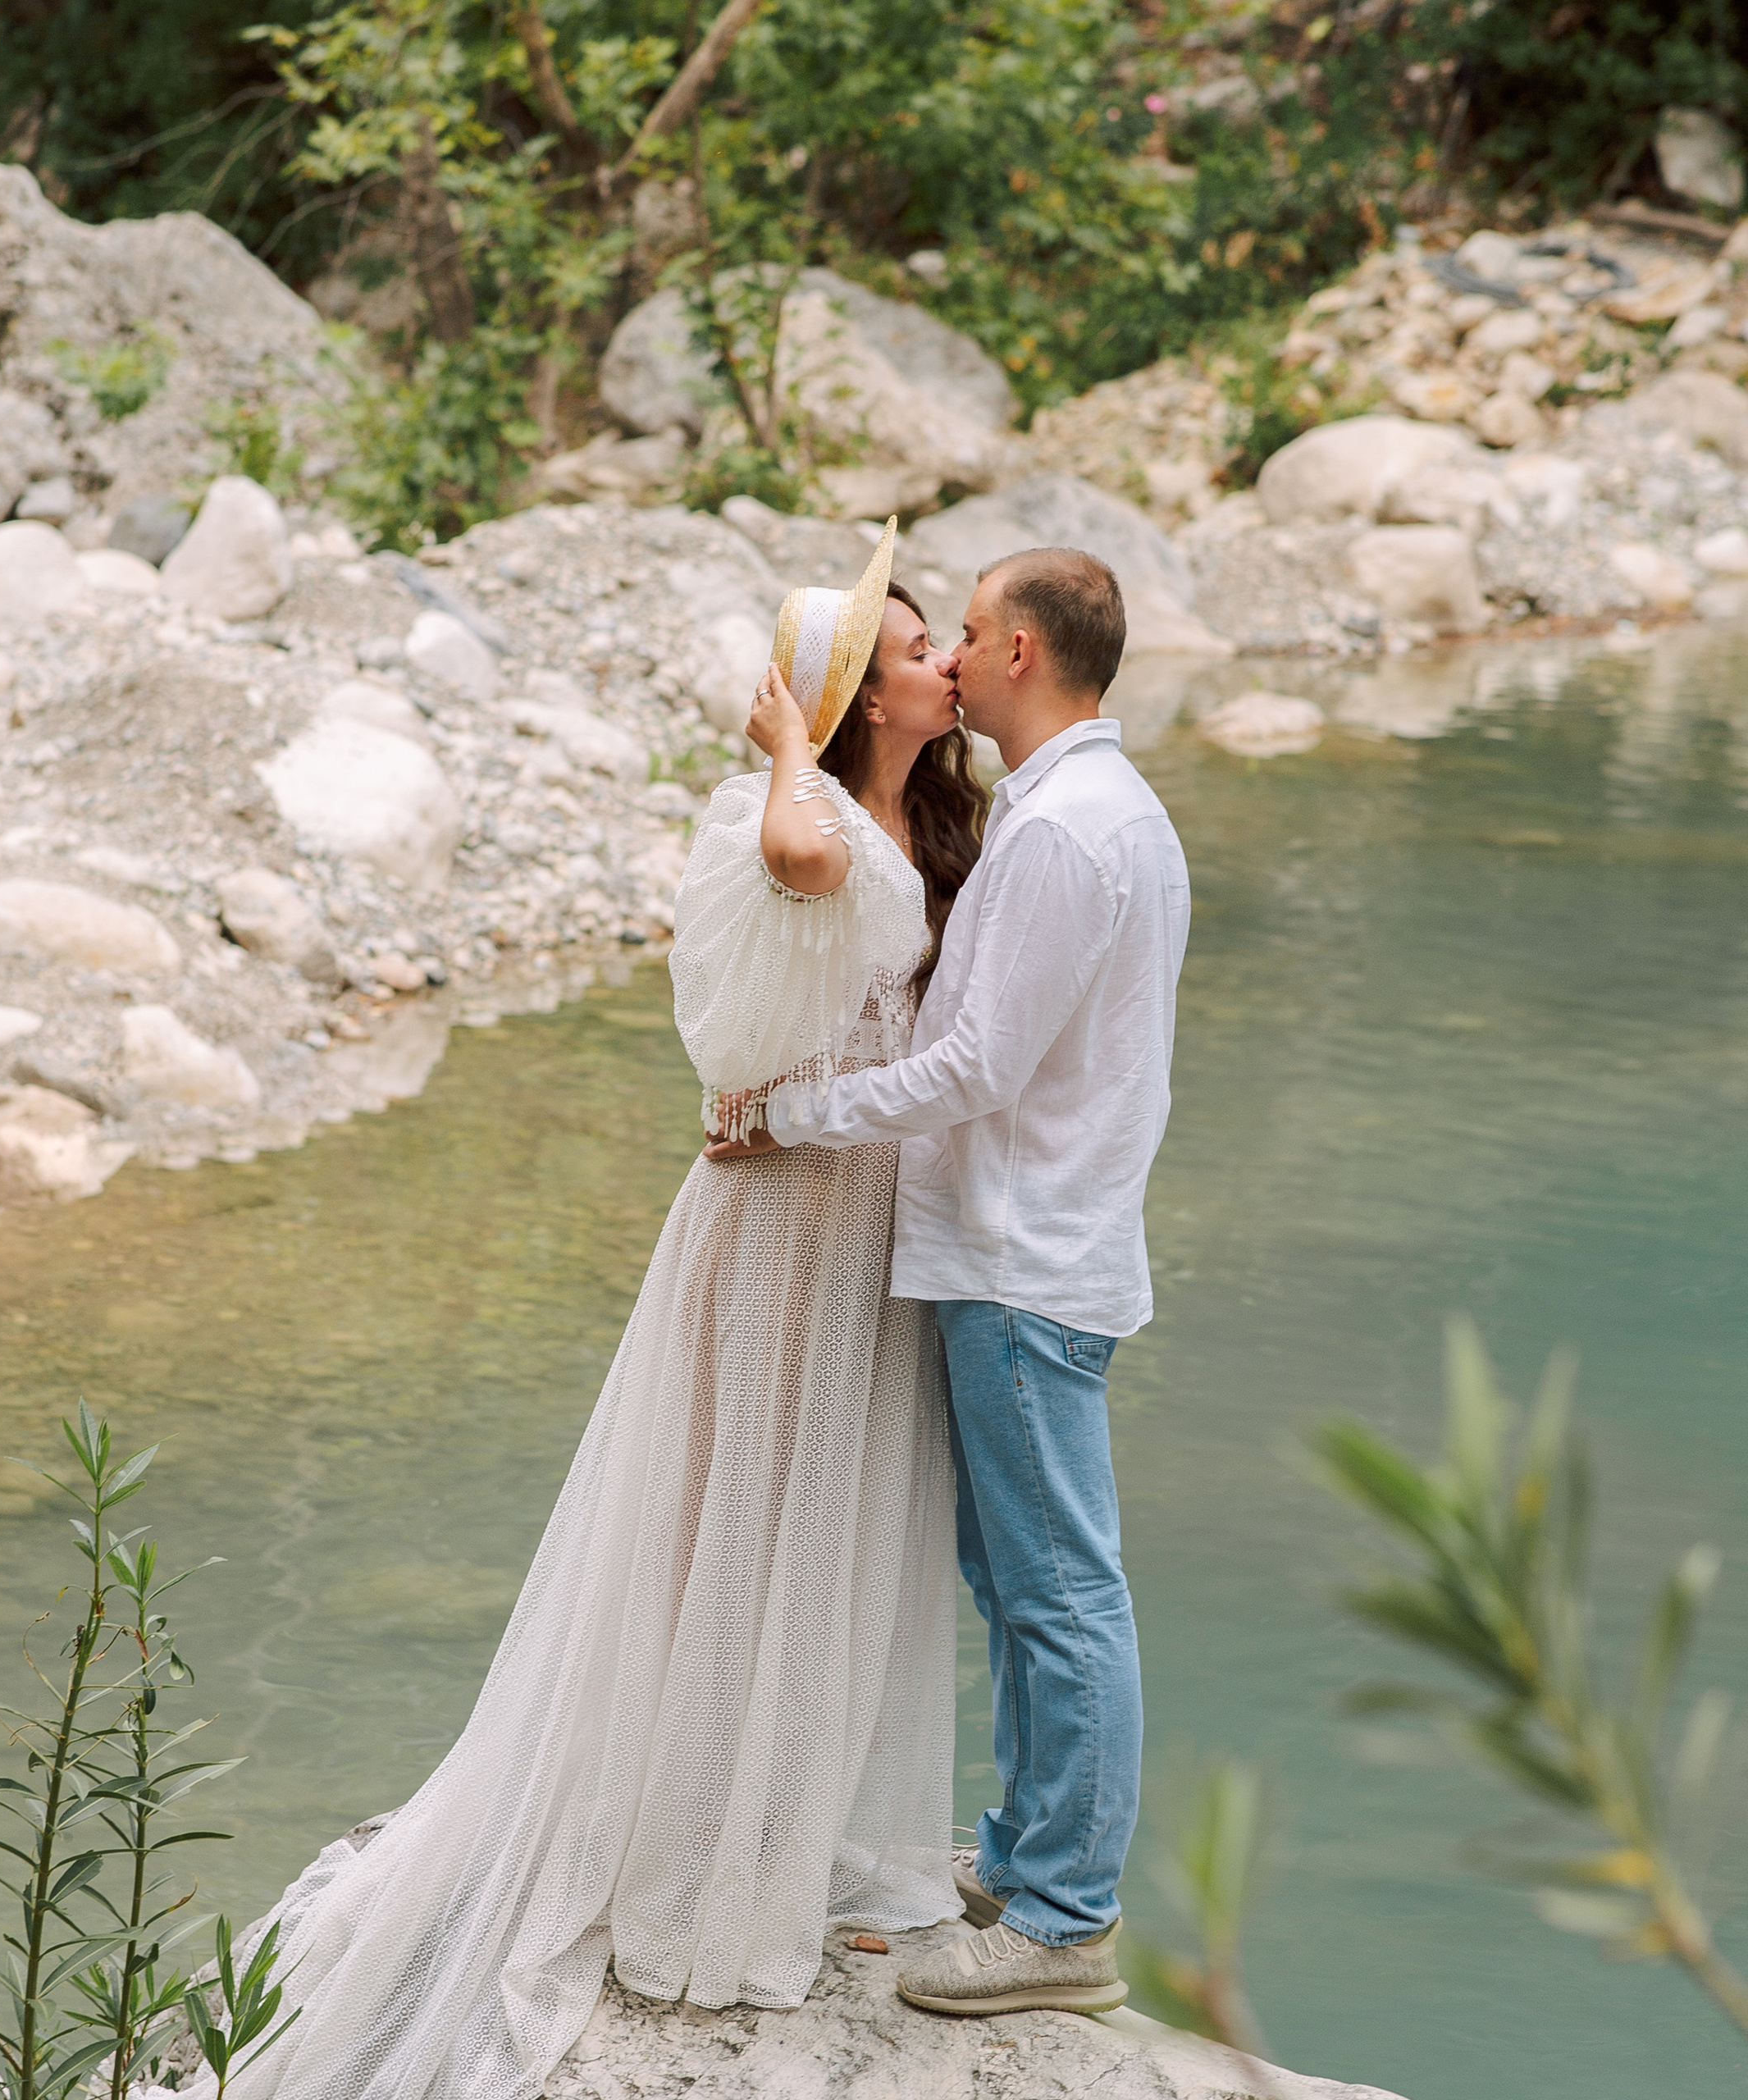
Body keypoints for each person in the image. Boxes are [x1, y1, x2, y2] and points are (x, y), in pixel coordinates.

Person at [230, 523, 988, 2100]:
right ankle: (691, 1858)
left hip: (861, 1203)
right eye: (919, 649)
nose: (946, 664)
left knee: (828, 1515)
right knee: (738, 1516)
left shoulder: (922, 815)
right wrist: (785, 747)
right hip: (783, 1212)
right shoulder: (802, 811)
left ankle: (773, 1834)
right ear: (860, 694)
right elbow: (799, 871)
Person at [707, 546, 1190, 2020]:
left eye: (968, 633)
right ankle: (1033, 1858)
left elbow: (975, 1067)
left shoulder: (1065, 834)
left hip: (1022, 1258)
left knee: (1060, 1595)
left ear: (1023, 652)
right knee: (1022, 1582)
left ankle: (1064, 1923)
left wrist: (797, 1114)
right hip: (1023, 1246)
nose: (956, 657)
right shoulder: (1085, 811)